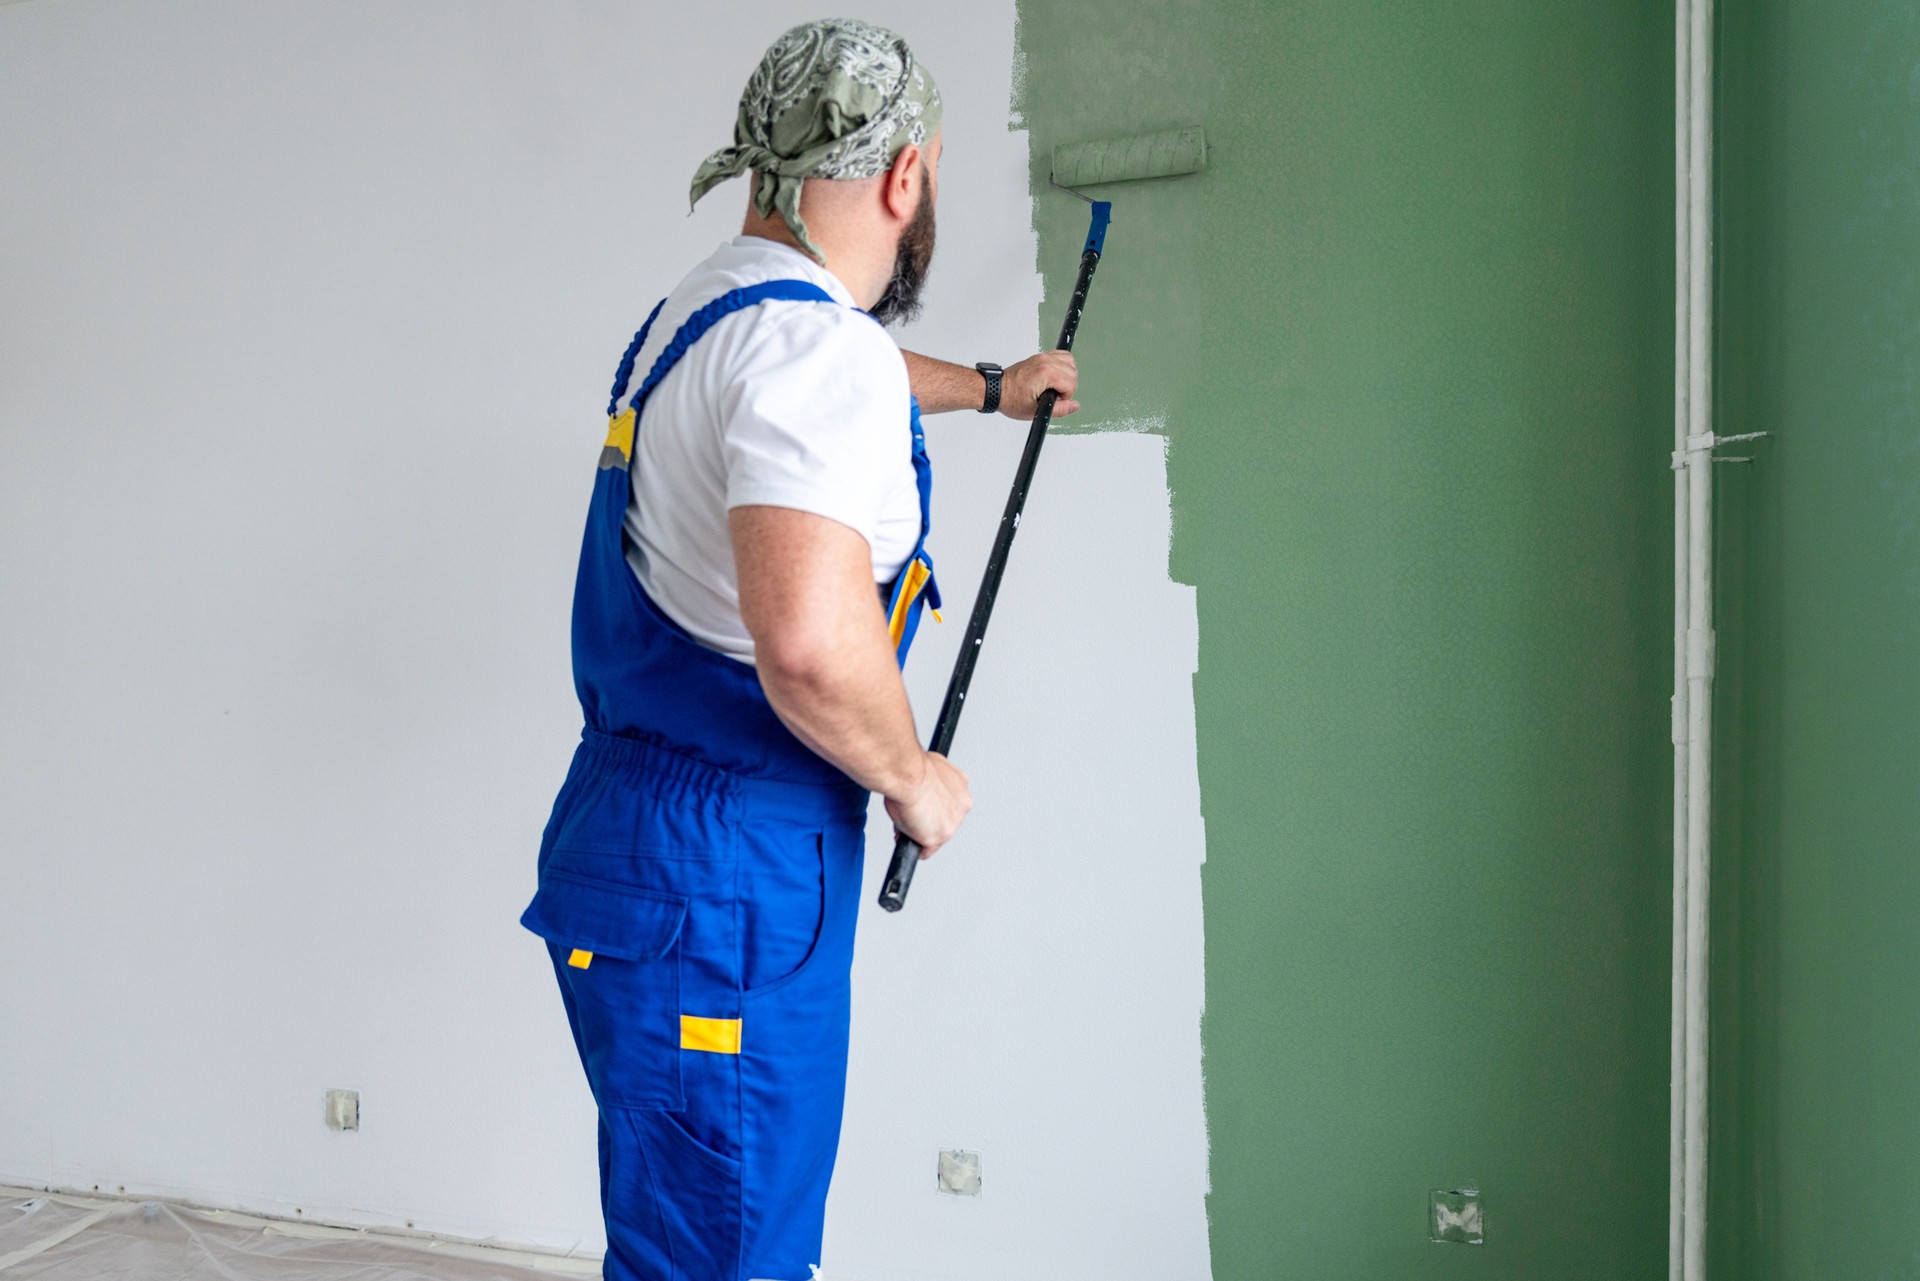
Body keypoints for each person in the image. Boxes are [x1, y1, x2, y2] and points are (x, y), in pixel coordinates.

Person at [518, 19, 1079, 1281]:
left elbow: (850, 371)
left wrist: (994, 386)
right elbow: (816, 651)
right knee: (726, 1257)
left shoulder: (713, 305)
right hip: (728, 874)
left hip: (645, 845)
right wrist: (914, 779)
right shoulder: (815, 353)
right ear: (902, 179)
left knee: (684, 1232)